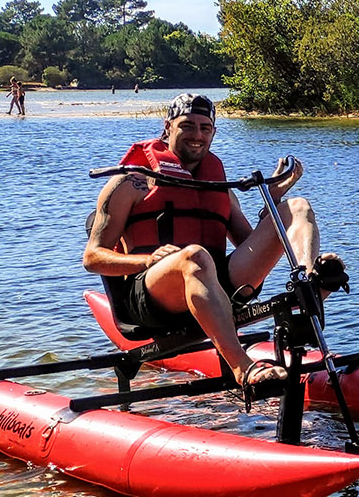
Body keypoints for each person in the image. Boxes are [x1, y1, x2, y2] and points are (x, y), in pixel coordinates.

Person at [81, 93, 344, 388]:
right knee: (195, 256)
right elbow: (92, 257)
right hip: (153, 298)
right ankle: (243, 368)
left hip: (220, 288)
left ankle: (308, 285)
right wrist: (149, 259)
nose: (197, 135)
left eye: (205, 128)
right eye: (187, 126)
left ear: (214, 133)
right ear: (167, 127)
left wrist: (275, 198)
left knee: (297, 207)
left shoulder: (220, 188)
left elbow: (251, 243)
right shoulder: (130, 183)